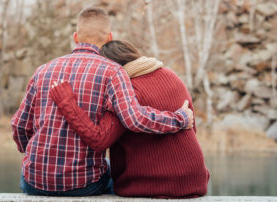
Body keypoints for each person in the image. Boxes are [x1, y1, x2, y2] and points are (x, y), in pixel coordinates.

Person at [11, 8, 194, 196]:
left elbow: (19, 126)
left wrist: (36, 157)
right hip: (83, 185)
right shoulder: (113, 72)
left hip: (34, 181)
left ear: (75, 37)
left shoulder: (42, 71)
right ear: (110, 37)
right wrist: (179, 119)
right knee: (111, 170)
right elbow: (135, 119)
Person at [50, 40, 210, 198]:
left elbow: (99, 140)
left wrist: (67, 102)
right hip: (195, 181)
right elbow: (192, 128)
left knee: (95, 173)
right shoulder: (172, 75)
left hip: (150, 184)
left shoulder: (125, 92)